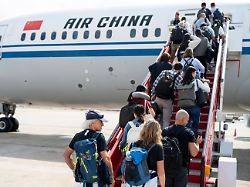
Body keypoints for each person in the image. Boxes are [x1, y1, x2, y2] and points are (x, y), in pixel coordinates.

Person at [64, 110, 115, 187]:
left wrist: (74, 170)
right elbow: (106, 158)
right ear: (92, 123)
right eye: (100, 121)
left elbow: (66, 155)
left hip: (79, 181)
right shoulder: (99, 136)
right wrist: (111, 177)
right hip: (95, 182)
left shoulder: (78, 136)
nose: (103, 124)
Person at [162, 109, 202, 187]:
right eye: (187, 120)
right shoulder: (188, 132)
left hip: (167, 166)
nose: (187, 122)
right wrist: (197, 143)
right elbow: (194, 153)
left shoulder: (165, 131)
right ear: (183, 119)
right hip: (181, 167)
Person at [124, 120, 165, 187]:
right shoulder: (157, 147)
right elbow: (161, 171)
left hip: (133, 180)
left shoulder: (134, 144)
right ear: (158, 132)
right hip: (148, 181)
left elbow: (127, 163)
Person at [178, 67, 210, 135]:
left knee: (186, 124)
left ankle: (185, 137)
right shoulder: (196, 81)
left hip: (184, 106)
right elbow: (208, 90)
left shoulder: (182, 82)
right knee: (195, 125)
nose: (196, 74)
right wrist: (205, 82)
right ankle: (191, 138)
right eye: (195, 72)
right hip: (194, 106)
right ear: (192, 73)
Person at [151, 63, 183, 129]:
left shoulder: (164, 72)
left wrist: (153, 94)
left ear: (173, 67)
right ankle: (164, 137)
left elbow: (155, 84)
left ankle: (156, 133)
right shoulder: (179, 77)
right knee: (166, 121)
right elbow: (180, 89)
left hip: (158, 98)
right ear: (180, 70)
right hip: (168, 100)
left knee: (157, 119)